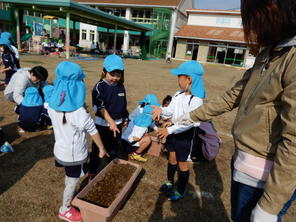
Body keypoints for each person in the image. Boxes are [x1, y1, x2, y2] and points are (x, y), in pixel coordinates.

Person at [175, 1, 296, 221]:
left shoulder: (292, 58)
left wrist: (270, 206)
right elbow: (233, 96)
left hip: (265, 176)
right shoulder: (269, 52)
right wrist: (192, 116)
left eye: (253, 18)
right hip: (244, 163)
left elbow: (294, 141)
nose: (251, 27)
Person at [47, 61, 108, 222]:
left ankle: (69, 185)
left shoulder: (51, 107)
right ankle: (65, 208)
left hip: (60, 151)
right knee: (72, 182)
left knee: (70, 176)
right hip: (73, 156)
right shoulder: (79, 113)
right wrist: (101, 148)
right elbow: (93, 131)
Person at [152, 60, 205, 201]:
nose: (177, 79)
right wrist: (161, 110)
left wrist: (170, 130)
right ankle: (169, 182)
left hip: (186, 136)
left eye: (179, 76)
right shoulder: (177, 94)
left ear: (189, 79)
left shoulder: (196, 100)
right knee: (172, 157)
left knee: (182, 163)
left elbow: (190, 121)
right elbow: (169, 111)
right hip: (173, 132)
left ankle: (180, 191)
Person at [88, 54, 129, 178]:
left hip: (117, 124)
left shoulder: (121, 87)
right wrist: (110, 122)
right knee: (97, 148)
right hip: (103, 125)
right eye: (112, 74)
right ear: (104, 71)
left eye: (118, 74)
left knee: (114, 147)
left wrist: (125, 118)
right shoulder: (99, 87)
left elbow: (123, 105)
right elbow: (100, 107)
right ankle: (92, 171)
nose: (115, 78)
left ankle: (112, 167)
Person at [122, 94, 160, 162]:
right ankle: (136, 154)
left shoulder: (144, 111)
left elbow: (150, 122)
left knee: (145, 135)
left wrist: (157, 129)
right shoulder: (141, 112)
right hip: (128, 141)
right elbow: (134, 130)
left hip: (128, 138)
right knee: (147, 139)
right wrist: (142, 134)